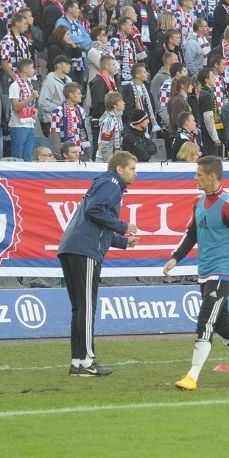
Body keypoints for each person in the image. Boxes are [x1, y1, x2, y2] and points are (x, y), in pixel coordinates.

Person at [164, 156, 229, 390]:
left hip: (222, 273)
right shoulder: (199, 202)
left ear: (212, 177)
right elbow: (192, 234)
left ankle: (192, 375)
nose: (195, 178)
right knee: (221, 323)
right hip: (205, 272)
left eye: (199, 175)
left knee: (205, 321)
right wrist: (175, 257)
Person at [57, 151, 140, 376]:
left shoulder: (105, 183)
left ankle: (77, 362)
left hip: (73, 247)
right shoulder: (112, 182)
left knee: (80, 308)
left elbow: (96, 224)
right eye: (132, 169)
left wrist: (123, 242)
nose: (135, 174)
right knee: (86, 307)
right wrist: (123, 226)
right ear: (119, 169)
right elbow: (95, 210)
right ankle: (86, 361)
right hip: (85, 250)